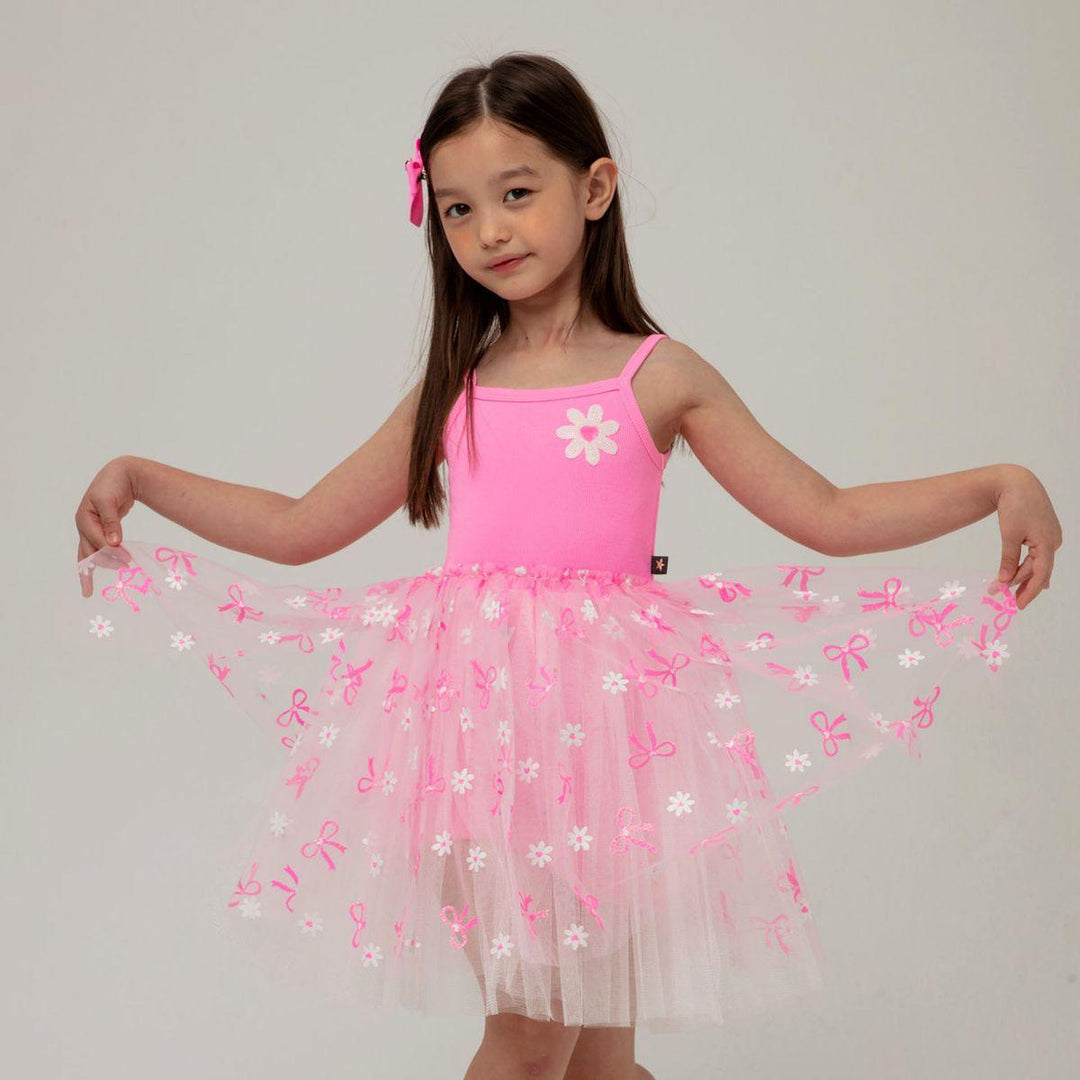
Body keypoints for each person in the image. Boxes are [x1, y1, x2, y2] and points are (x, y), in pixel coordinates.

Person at [73, 51, 1060, 1080]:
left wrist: (993, 483)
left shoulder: (657, 374)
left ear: (593, 189)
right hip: (477, 749)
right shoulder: (453, 389)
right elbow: (299, 525)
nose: (489, 230)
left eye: (516, 194)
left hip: (615, 756)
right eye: (456, 210)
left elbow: (825, 512)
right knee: (532, 1033)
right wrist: (145, 478)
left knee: (598, 1052)